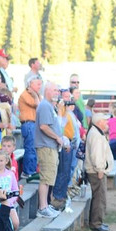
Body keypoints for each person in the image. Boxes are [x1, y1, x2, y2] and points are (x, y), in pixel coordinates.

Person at [34, 82, 66, 218]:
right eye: (54, 90)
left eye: (58, 91)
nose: (57, 93)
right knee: (46, 178)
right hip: (46, 146)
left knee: (50, 177)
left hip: (50, 146)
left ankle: (46, 205)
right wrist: (57, 138)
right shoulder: (45, 106)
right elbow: (44, 126)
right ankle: (42, 207)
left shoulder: (49, 106)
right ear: (47, 90)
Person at [84, 113, 114, 231]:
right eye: (105, 121)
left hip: (96, 170)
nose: (107, 123)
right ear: (99, 122)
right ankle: (96, 223)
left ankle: (98, 221)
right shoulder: (96, 135)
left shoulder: (96, 132)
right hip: (96, 171)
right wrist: (100, 169)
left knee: (99, 197)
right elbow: (96, 154)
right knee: (99, 197)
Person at [17, 74, 42, 180]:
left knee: (33, 148)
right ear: (30, 84)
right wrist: (36, 96)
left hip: (33, 124)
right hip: (28, 123)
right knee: (30, 148)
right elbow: (38, 105)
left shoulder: (35, 94)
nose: (40, 86)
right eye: (38, 84)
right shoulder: (25, 94)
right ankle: (28, 171)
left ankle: (32, 170)